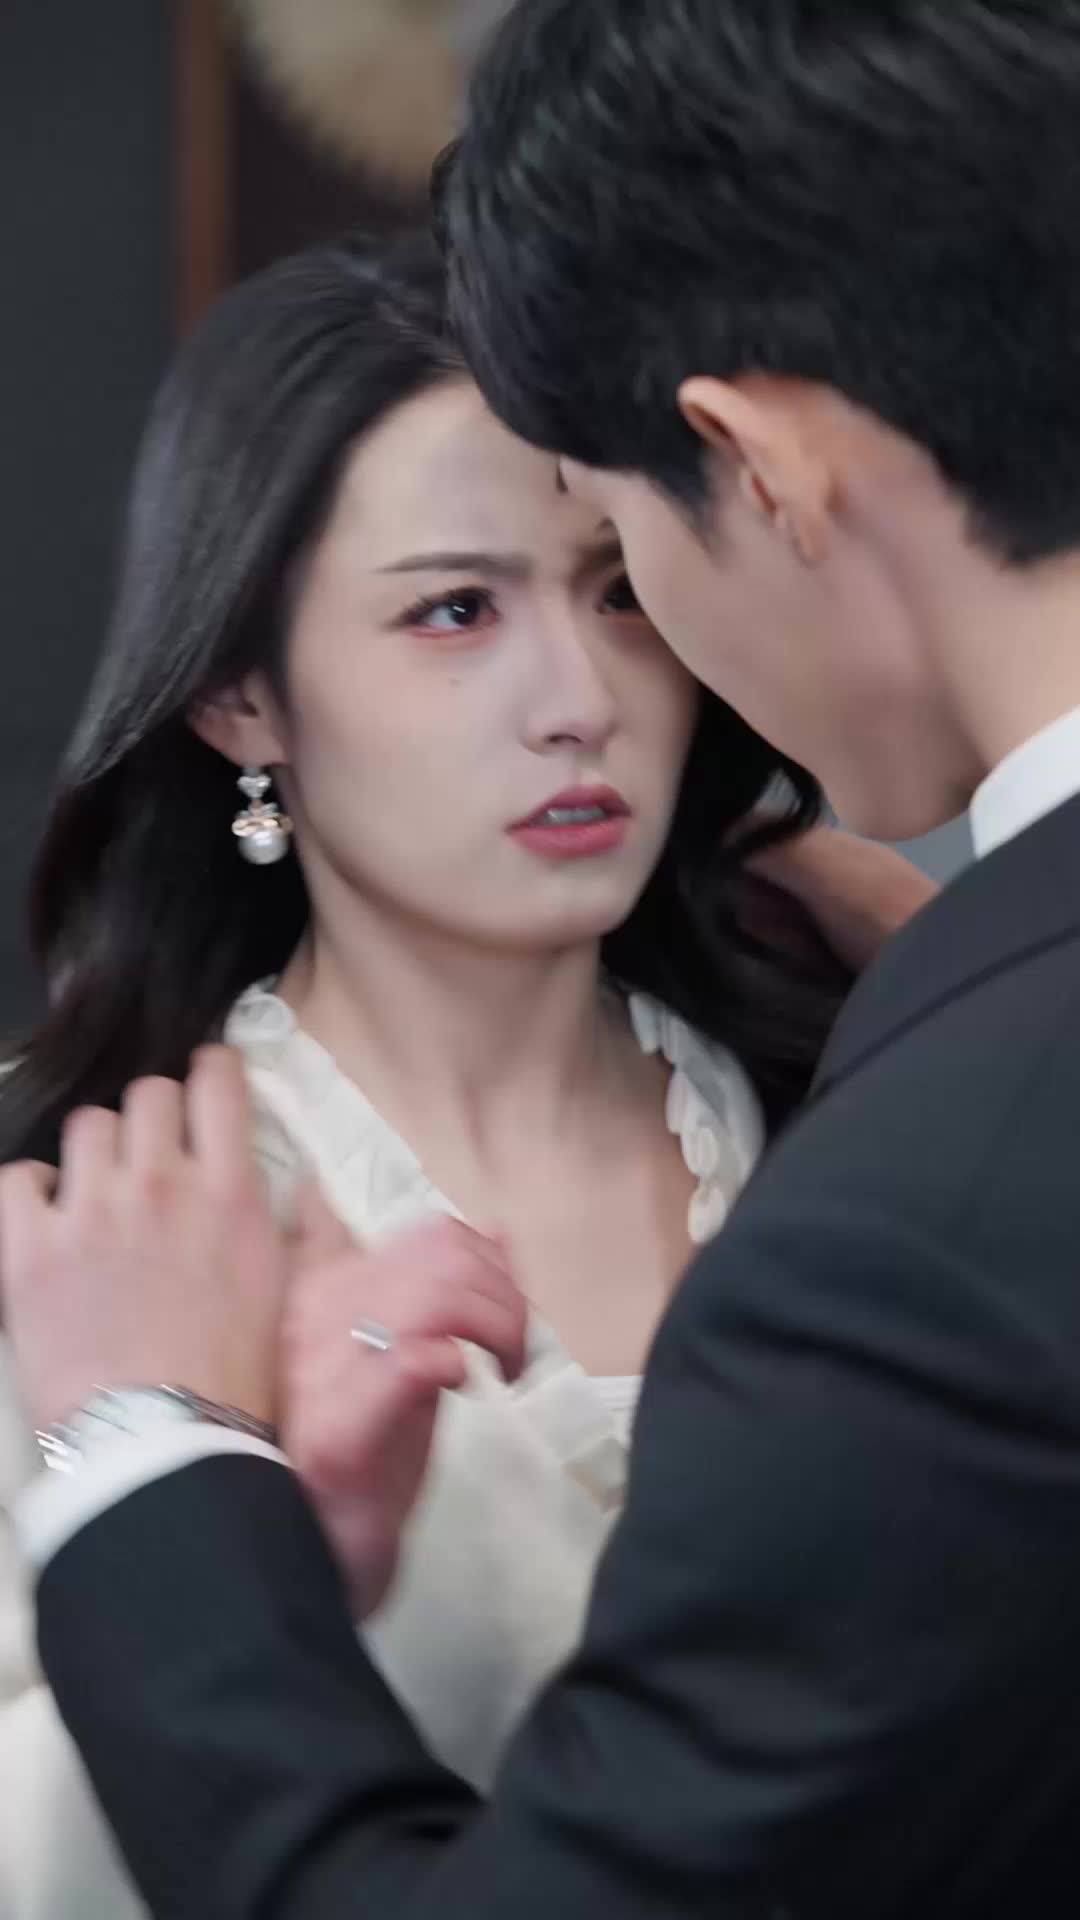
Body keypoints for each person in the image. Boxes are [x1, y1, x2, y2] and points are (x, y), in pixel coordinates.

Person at [9, 0, 1075, 1910]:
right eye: (451, 612)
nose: (578, 696)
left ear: (752, 480)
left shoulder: (887, 1103)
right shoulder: (89, 1226)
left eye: (613, 585)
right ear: (242, 694)